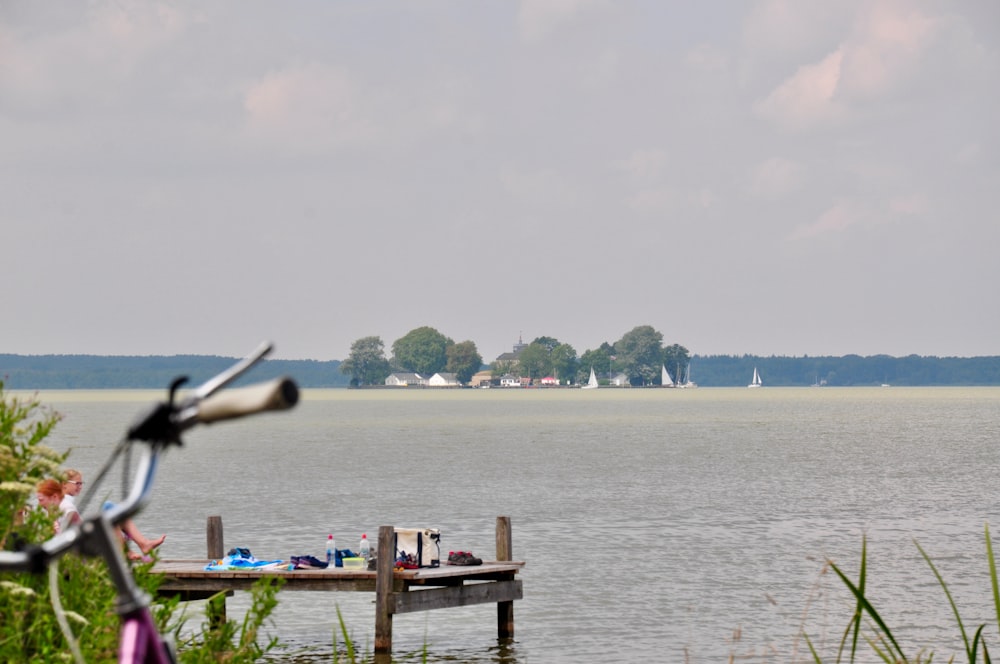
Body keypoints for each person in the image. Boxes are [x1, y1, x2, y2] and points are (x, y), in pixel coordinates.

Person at [62, 469, 166, 560]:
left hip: (82, 540)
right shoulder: (65, 503)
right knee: (109, 509)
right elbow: (80, 528)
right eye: (77, 483)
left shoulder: (66, 501)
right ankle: (134, 548)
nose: (80, 487)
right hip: (84, 544)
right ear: (64, 484)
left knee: (109, 508)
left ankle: (137, 547)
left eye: (81, 483)